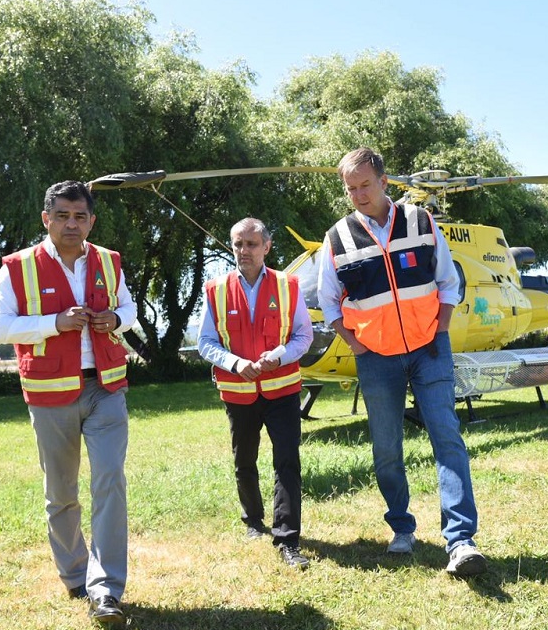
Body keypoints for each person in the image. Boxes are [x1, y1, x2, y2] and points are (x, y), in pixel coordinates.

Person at [316, 147, 488, 577]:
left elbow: (449, 283)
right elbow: (328, 304)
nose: (358, 195)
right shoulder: (337, 238)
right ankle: (402, 528)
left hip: (430, 350)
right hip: (376, 359)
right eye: (350, 188)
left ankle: (461, 541)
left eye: (365, 185)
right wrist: (358, 347)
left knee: (447, 437)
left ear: (384, 182)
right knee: (387, 449)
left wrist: (440, 330)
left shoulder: (421, 222)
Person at [0, 180, 135, 624]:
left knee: (110, 482)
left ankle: (106, 589)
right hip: (51, 394)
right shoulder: (16, 267)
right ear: (46, 219)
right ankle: (74, 575)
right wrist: (54, 322)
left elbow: (129, 310)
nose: (72, 224)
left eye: (80, 216)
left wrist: (114, 318)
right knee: (61, 493)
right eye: (63, 216)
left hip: (107, 387)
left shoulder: (109, 261)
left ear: (92, 220)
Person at [197, 218, 314, 570]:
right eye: (237, 244)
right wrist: (233, 364)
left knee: (287, 462)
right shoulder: (215, 289)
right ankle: (253, 520)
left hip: (282, 391)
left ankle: (287, 538)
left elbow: (304, 337)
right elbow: (205, 342)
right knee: (244, 462)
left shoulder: (288, 285)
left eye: (251, 244)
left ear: (267, 246)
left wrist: (278, 355)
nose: (243, 251)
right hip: (238, 392)